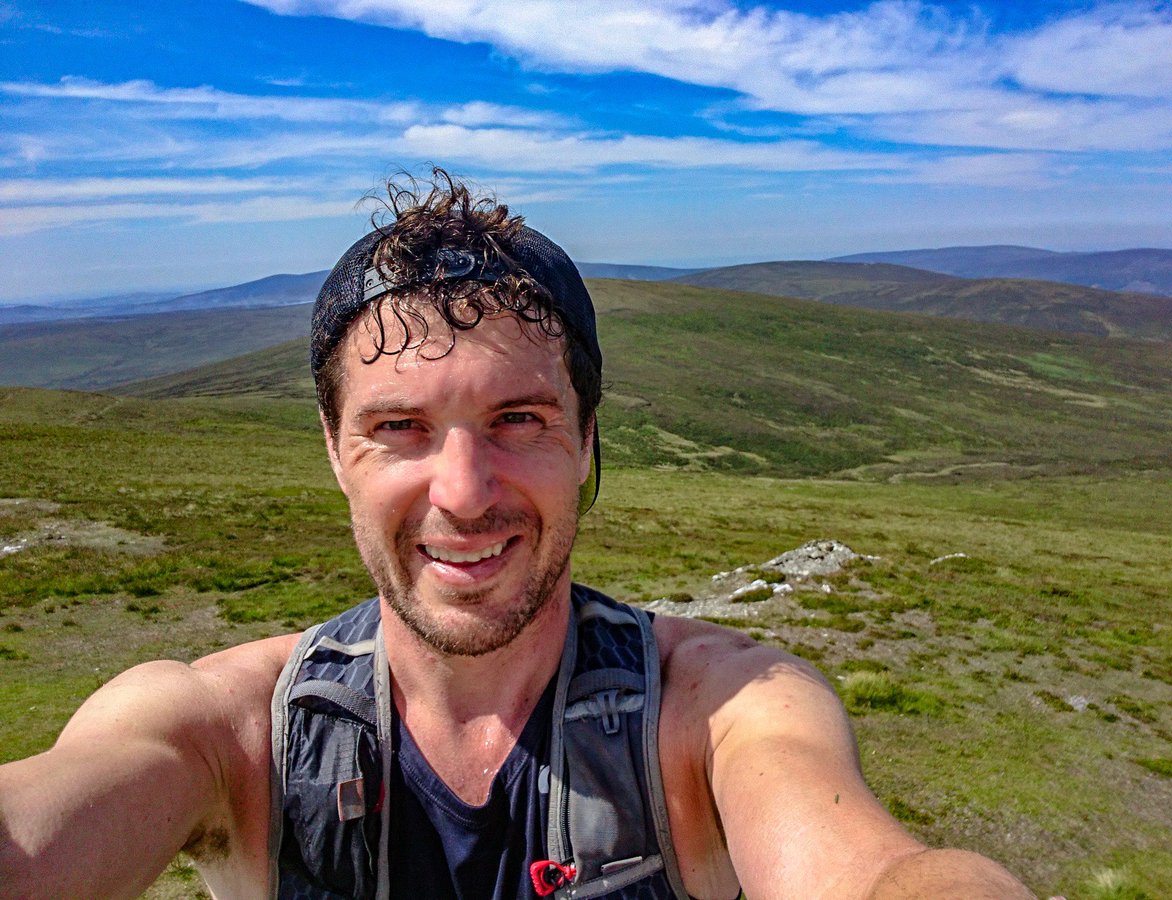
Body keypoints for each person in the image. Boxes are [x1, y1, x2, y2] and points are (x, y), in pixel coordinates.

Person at [0, 171, 1034, 899]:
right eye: (399, 427)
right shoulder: (229, 739)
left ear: (586, 439)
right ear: (333, 448)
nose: (463, 492)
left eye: (520, 420)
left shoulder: (711, 713)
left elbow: (870, 872)